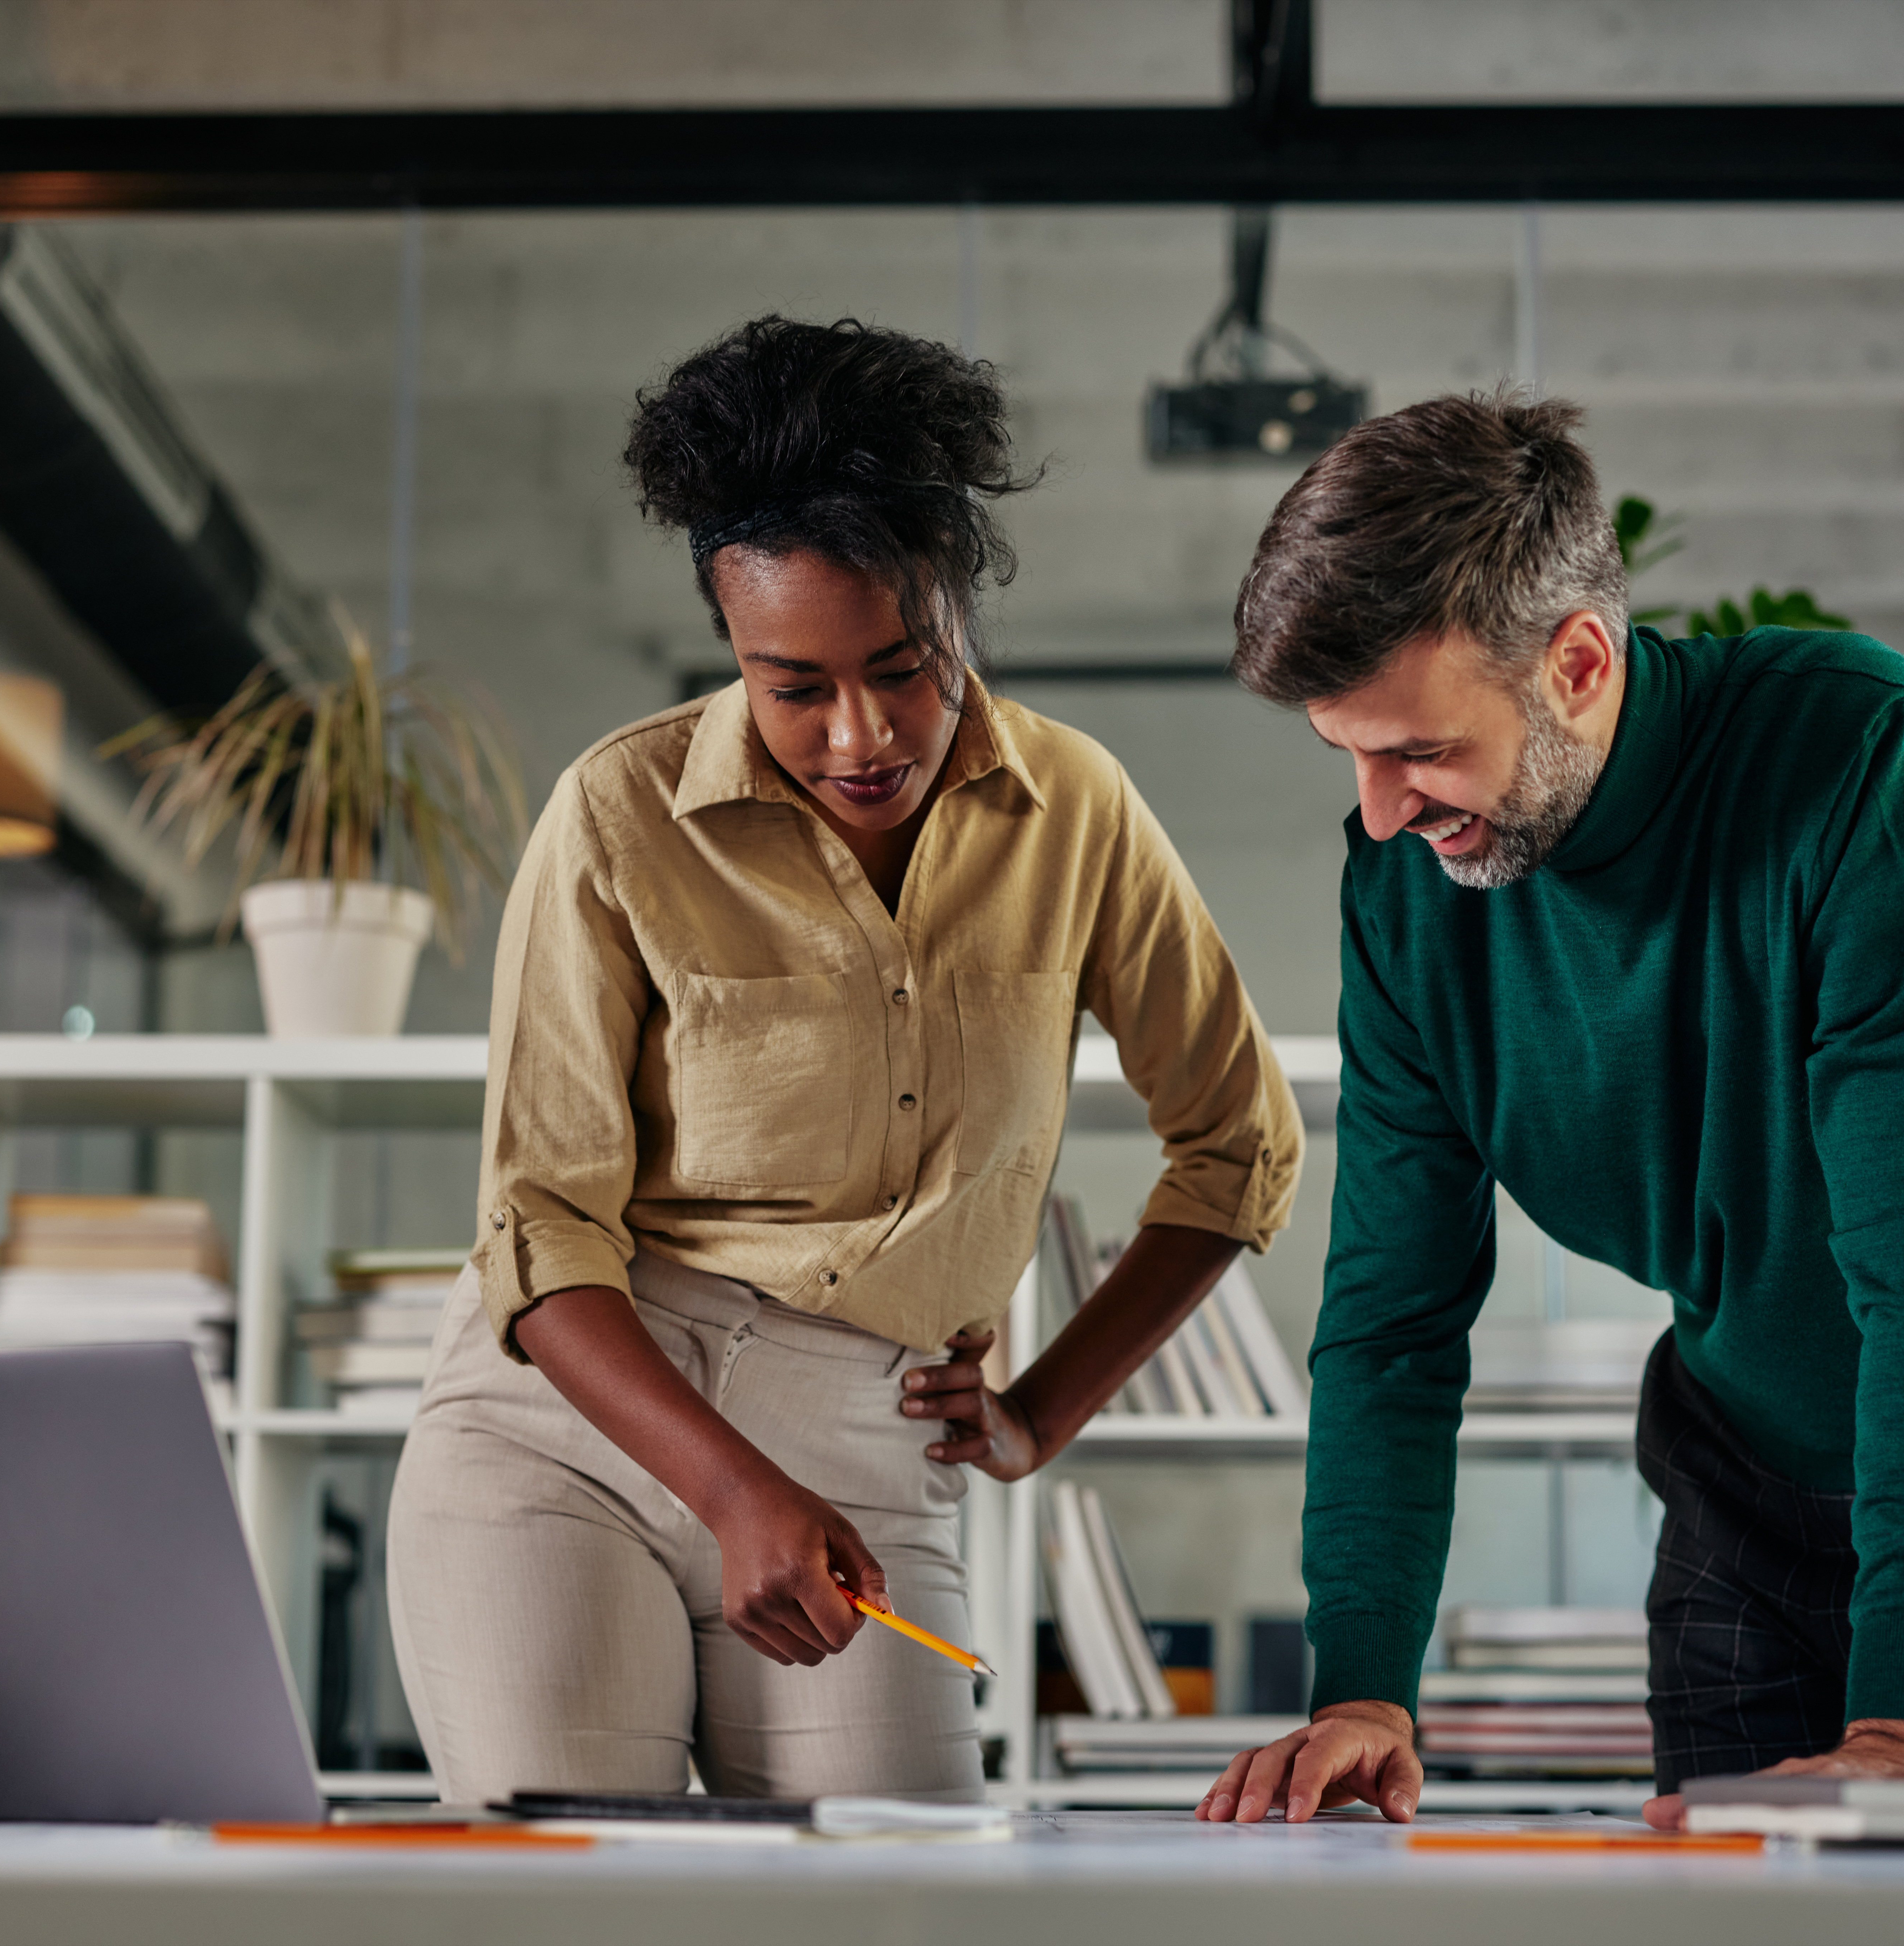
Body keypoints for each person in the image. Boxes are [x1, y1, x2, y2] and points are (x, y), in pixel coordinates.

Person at [1195, 392, 1904, 1828]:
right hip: (1741, 1483)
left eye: (1416, 752)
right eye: (1345, 757)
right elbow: (1388, 1317)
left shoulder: (1865, 769)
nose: (1376, 813)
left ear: (1576, 661)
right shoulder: (1405, 904)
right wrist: (1361, 1688)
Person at [387, 316, 1302, 1806]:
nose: (861, 732)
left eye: (904, 666)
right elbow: (539, 1230)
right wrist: (733, 1483)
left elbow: (1238, 1143)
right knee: (581, 1916)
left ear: (959, 608)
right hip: (568, 1444)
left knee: (889, 1910)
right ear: (726, 639)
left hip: (873, 1450)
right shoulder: (614, 816)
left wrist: (1038, 1412)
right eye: (792, 686)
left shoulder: (1075, 807)